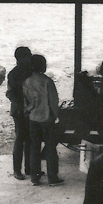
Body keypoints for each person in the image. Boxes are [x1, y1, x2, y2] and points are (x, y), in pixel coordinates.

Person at [23, 53, 64, 187]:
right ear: (43, 66)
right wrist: (55, 115)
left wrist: (29, 110)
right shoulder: (47, 81)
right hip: (46, 118)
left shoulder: (27, 81)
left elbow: (26, 101)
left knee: (34, 147)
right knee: (50, 147)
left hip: (33, 117)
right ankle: (52, 177)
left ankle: (35, 177)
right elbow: (53, 101)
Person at [5, 46, 34, 180]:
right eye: (27, 56)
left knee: (30, 139)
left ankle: (29, 168)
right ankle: (17, 170)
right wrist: (21, 107)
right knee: (20, 139)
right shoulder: (13, 74)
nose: (29, 58)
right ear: (20, 58)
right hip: (19, 111)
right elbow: (10, 93)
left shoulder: (29, 71)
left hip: (29, 109)